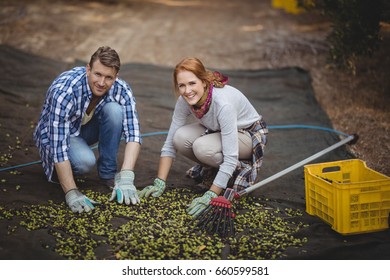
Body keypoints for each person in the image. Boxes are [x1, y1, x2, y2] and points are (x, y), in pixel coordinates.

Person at [139, 57, 268, 217]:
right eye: (182, 85)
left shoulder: (223, 105)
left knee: (202, 147)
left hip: (248, 135)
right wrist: (159, 181)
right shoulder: (184, 100)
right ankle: (218, 174)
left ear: (204, 82)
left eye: (192, 83)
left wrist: (211, 194)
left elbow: (230, 158)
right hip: (217, 130)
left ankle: (232, 174)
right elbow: (170, 143)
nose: (187, 91)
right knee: (179, 137)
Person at [33, 46, 142, 213]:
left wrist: (127, 176)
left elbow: (133, 132)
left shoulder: (121, 89)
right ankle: (60, 174)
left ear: (116, 77)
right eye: (97, 74)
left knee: (114, 111)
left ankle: (108, 174)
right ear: (88, 69)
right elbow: (58, 146)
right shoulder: (65, 92)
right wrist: (71, 192)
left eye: (108, 77)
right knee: (85, 162)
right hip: (59, 136)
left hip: (83, 129)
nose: (101, 83)